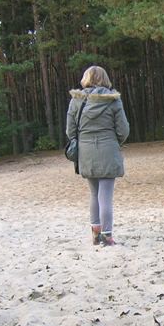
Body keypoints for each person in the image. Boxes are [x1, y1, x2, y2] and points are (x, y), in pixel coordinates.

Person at [66, 66, 130, 246]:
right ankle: (107, 236)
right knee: (105, 196)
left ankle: (95, 234)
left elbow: (70, 131)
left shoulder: (76, 101)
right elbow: (123, 130)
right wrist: (114, 141)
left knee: (94, 194)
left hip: (86, 152)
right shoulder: (113, 100)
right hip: (108, 149)